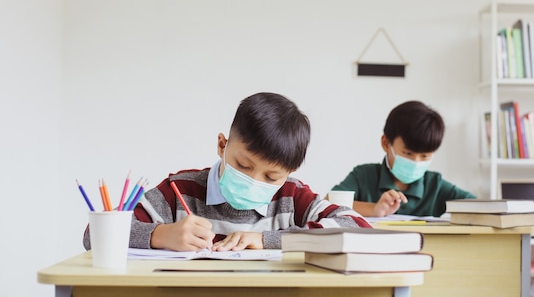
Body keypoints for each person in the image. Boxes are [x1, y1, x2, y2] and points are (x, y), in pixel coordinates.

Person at [83, 92, 370, 251]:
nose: (253, 180)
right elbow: (94, 236)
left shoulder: (291, 197)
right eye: (243, 165)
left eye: (271, 177)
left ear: (289, 172)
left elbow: (357, 226)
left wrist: (266, 240)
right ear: (222, 145)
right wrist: (161, 234)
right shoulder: (179, 190)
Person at [331, 100, 475, 218]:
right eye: (407, 153)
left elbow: (479, 207)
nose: (416, 162)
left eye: (425, 156)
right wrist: (374, 209)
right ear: (386, 143)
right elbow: (328, 204)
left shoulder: (435, 186)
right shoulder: (363, 176)